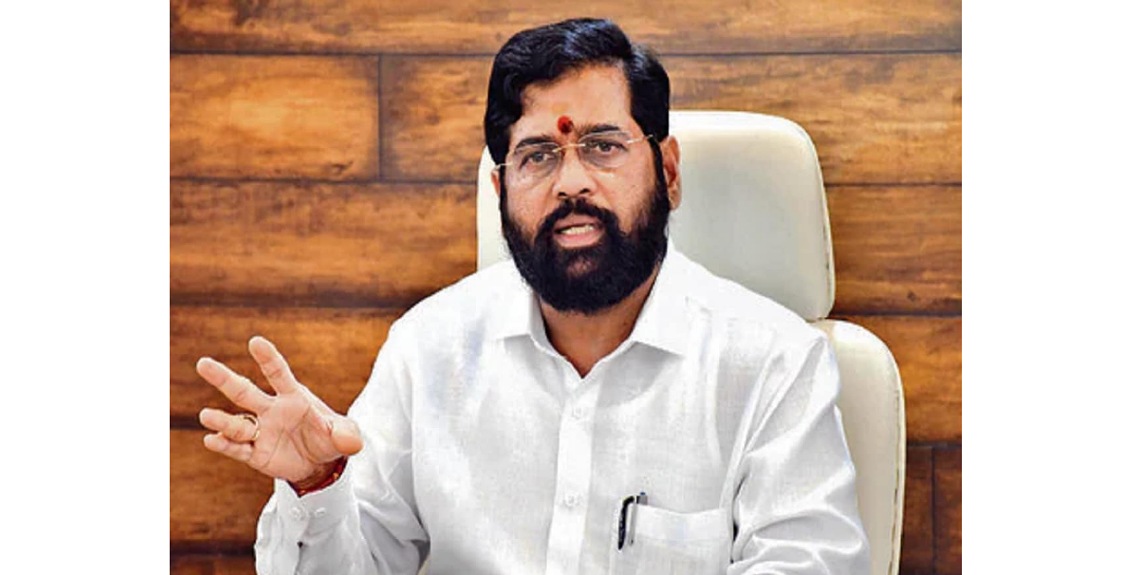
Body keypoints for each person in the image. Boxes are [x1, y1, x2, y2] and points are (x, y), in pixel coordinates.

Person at [195, 17, 870, 575]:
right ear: (501, 192)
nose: (571, 182)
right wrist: (318, 486)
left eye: (602, 146)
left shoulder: (774, 363)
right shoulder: (428, 349)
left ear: (667, 171)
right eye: (538, 156)